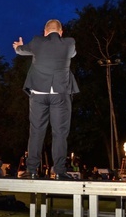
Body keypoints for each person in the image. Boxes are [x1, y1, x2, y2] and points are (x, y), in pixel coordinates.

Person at [13, 19, 79, 180]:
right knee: (60, 133)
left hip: (38, 94)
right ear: (61, 32)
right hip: (60, 94)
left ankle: (31, 170)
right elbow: (73, 54)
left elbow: (21, 51)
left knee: (36, 132)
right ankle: (60, 171)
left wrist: (18, 47)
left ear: (45, 31)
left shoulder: (37, 42)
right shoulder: (69, 43)